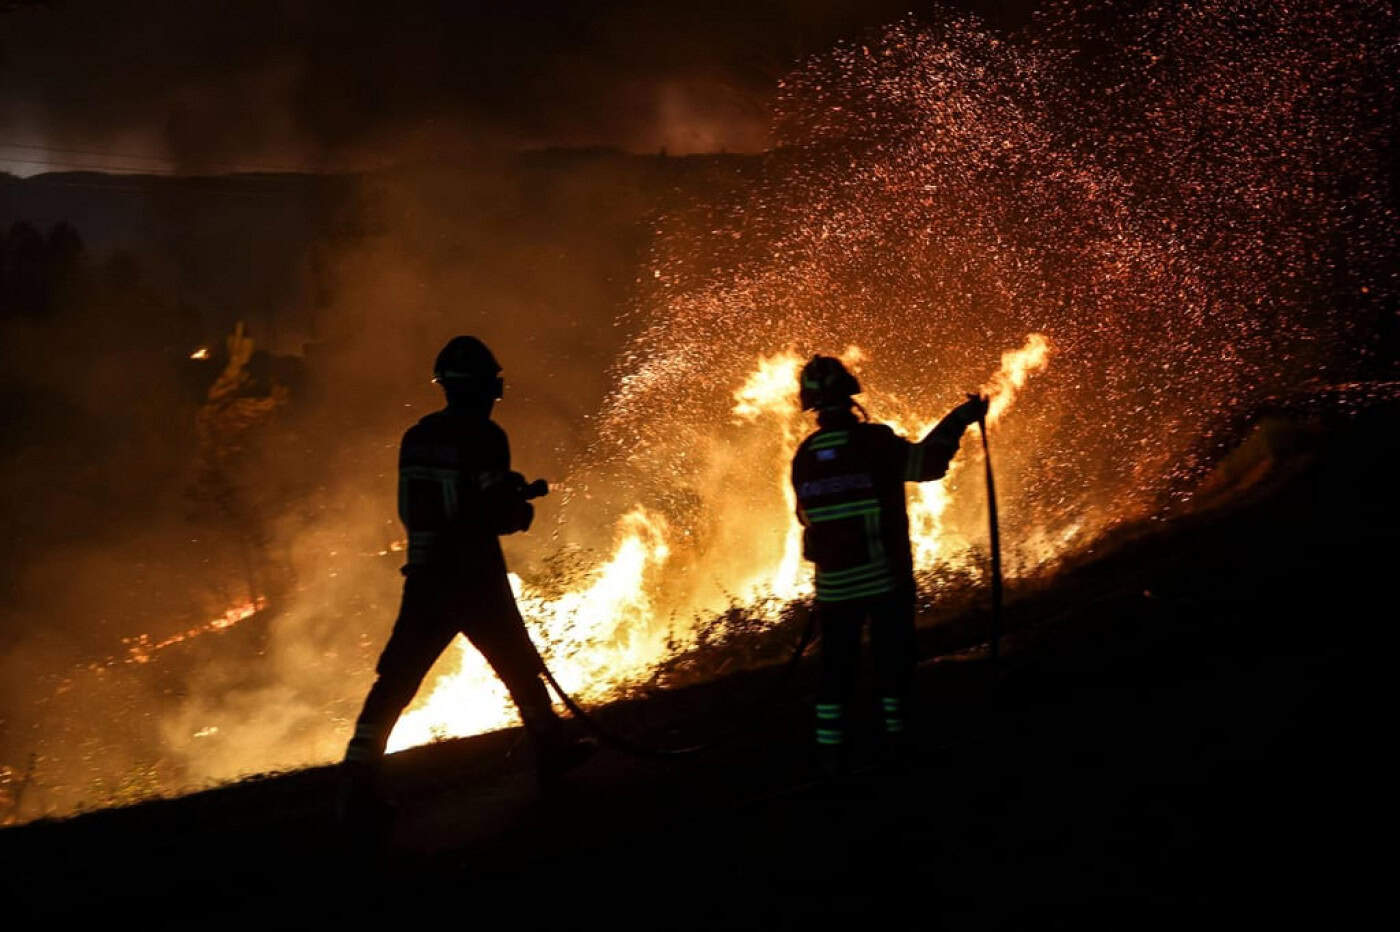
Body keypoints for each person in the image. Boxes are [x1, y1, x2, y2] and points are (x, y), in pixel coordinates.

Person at [339, 336, 594, 824]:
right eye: (492, 385)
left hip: (426, 580)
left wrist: (494, 494)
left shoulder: (416, 437)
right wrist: (519, 508)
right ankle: (552, 754)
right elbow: (493, 511)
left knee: (395, 682)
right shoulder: (484, 437)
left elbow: (418, 507)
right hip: (473, 579)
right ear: (480, 387)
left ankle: (355, 785)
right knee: (520, 667)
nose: (496, 395)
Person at [790, 355, 988, 773]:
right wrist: (962, 418)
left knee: (835, 673)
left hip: (834, 589)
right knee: (893, 663)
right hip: (884, 581)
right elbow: (928, 464)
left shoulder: (803, 456)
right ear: (850, 398)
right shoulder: (875, 442)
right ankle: (899, 747)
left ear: (811, 406)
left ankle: (831, 759)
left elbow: (805, 518)